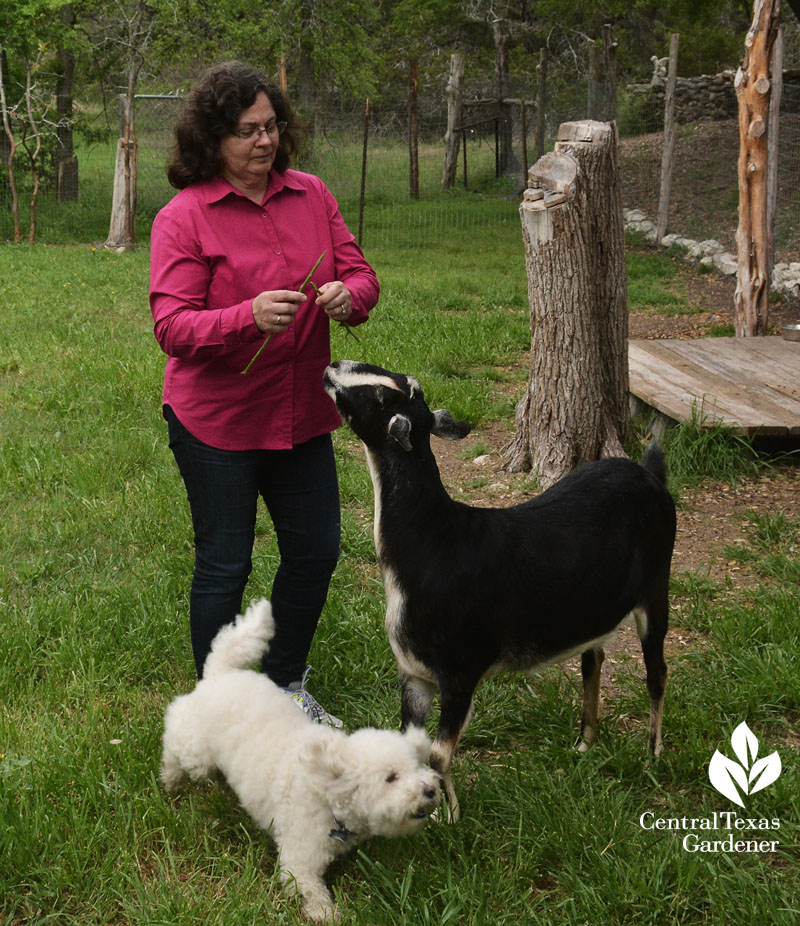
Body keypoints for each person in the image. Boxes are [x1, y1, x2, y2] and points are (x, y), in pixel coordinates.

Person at [150, 61, 379, 725]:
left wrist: (347, 296)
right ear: (212, 139)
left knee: (316, 552)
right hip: (216, 420)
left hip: (300, 413)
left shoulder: (312, 196)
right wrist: (244, 317)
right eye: (247, 130)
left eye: (271, 126)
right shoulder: (184, 217)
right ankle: (219, 712)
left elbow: (362, 279)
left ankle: (281, 686)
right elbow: (172, 325)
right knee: (225, 565)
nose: (264, 141)